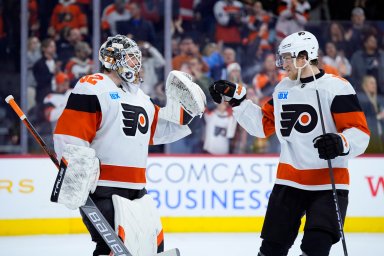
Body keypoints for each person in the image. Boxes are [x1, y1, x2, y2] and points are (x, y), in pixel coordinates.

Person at [209, 31, 370, 256]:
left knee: (316, 248)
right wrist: (238, 101)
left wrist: (341, 142)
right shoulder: (283, 88)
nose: (282, 64)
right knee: (271, 249)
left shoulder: (337, 88)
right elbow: (262, 127)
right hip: (289, 181)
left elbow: (360, 133)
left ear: (303, 57)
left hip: (328, 184)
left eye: (286, 58)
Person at [53, 35, 201, 255]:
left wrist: (185, 115)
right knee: (112, 248)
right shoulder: (92, 86)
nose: (137, 64)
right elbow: (70, 134)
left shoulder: (140, 97)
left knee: (150, 246)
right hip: (102, 188)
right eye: (131, 58)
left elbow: (157, 130)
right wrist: (75, 177)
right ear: (112, 60)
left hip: (137, 189)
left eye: (136, 58)